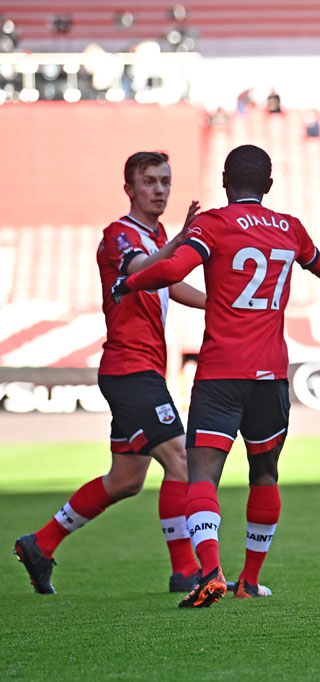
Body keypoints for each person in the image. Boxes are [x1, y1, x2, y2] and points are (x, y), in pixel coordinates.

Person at [111, 145, 320, 607]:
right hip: (270, 377)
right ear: (268, 185)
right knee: (264, 475)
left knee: (203, 473)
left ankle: (209, 571)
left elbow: (171, 269)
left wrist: (130, 282)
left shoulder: (213, 225)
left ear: (225, 182)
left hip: (220, 374)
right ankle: (248, 580)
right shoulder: (290, 228)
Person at [14, 151, 205, 595]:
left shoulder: (155, 236)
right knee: (182, 460)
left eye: (165, 182)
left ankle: (41, 544)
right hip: (129, 369)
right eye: (150, 182)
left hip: (143, 371)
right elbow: (141, 269)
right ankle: (185, 571)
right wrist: (178, 243)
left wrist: (219, 305)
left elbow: (168, 280)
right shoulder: (119, 235)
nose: (160, 190)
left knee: (126, 480)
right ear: (130, 189)